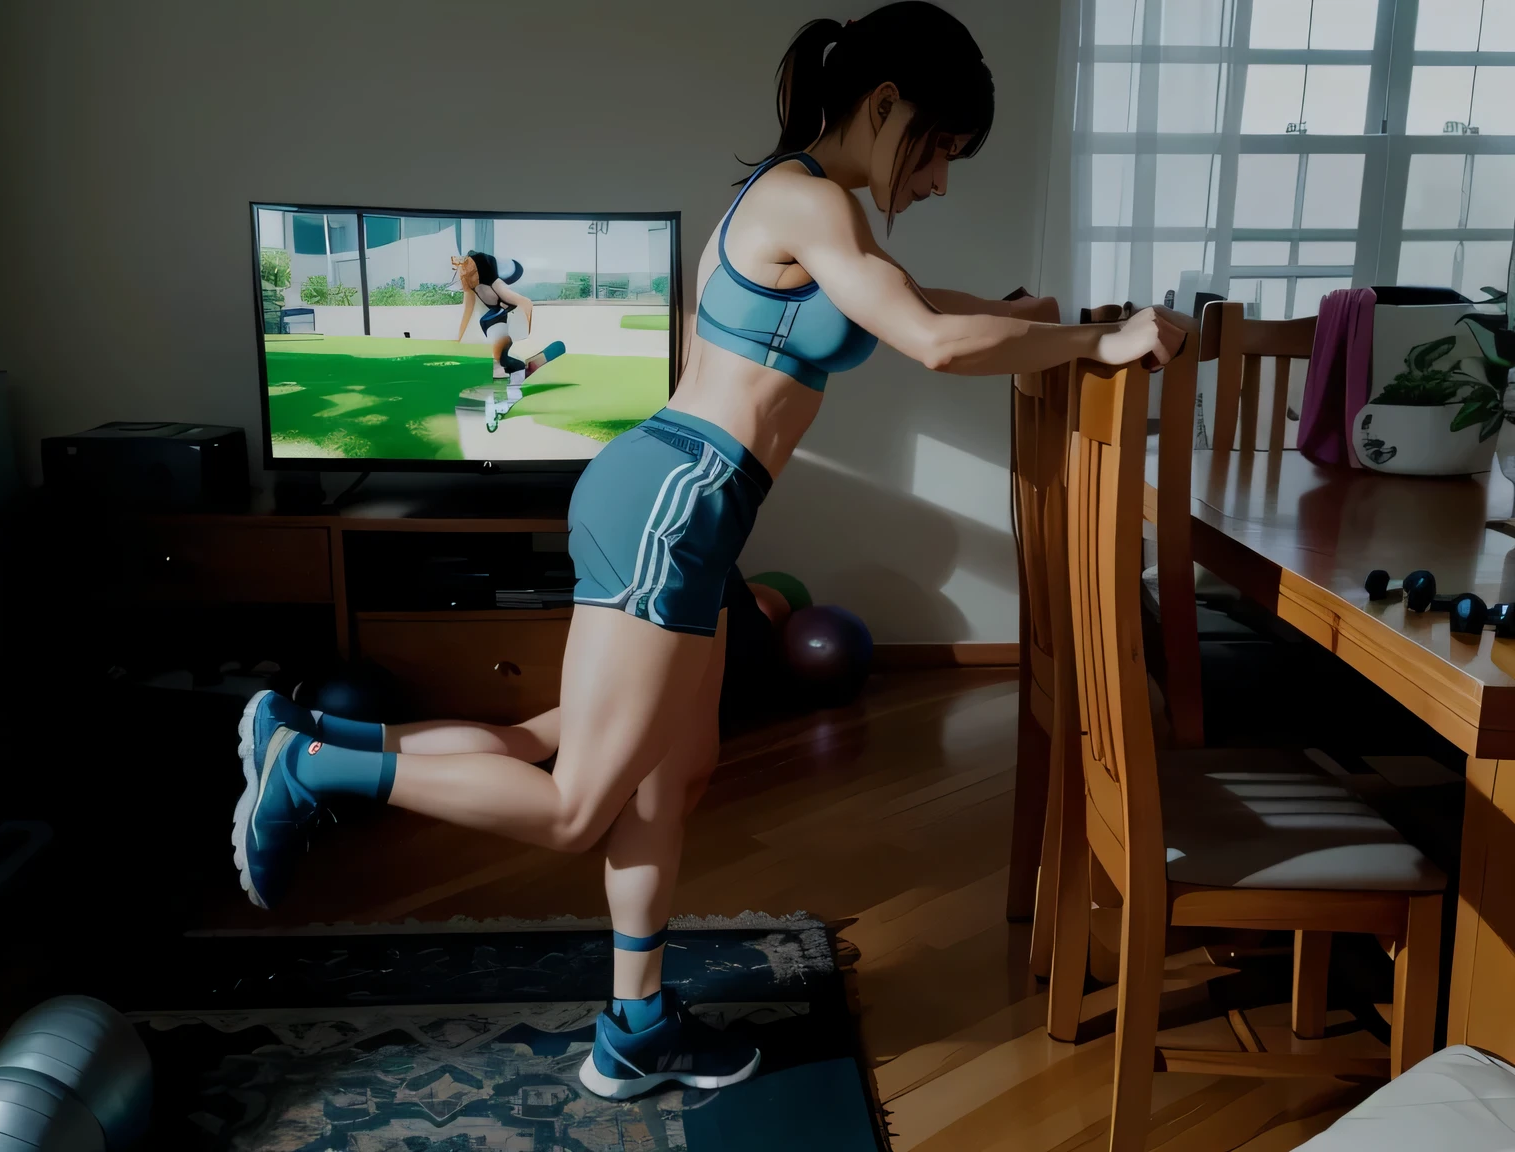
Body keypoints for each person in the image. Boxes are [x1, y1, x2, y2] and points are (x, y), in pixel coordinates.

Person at [232, 1, 1182, 1102]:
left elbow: (914, 305)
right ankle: (312, 772)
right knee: (581, 801)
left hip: (679, 502)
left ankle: (630, 1023)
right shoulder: (806, 199)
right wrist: (1095, 340)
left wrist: (1034, 314)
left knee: (660, 773)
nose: (937, 183)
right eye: (938, 153)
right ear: (887, 107)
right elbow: (925, 339)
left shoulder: (812, 210)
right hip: (671, 504)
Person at [451, 250, 565, 431]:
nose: (463, 271)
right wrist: (458, 338)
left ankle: (512, 382)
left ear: (480, 267)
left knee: (502, 362)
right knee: (503, 363)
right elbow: (467, 311)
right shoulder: (471, 286)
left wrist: (525, 333)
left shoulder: (496, 284)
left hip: (507, 323)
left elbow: (525, 302)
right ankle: (516, 376)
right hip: (492, 325)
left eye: (468, 266)